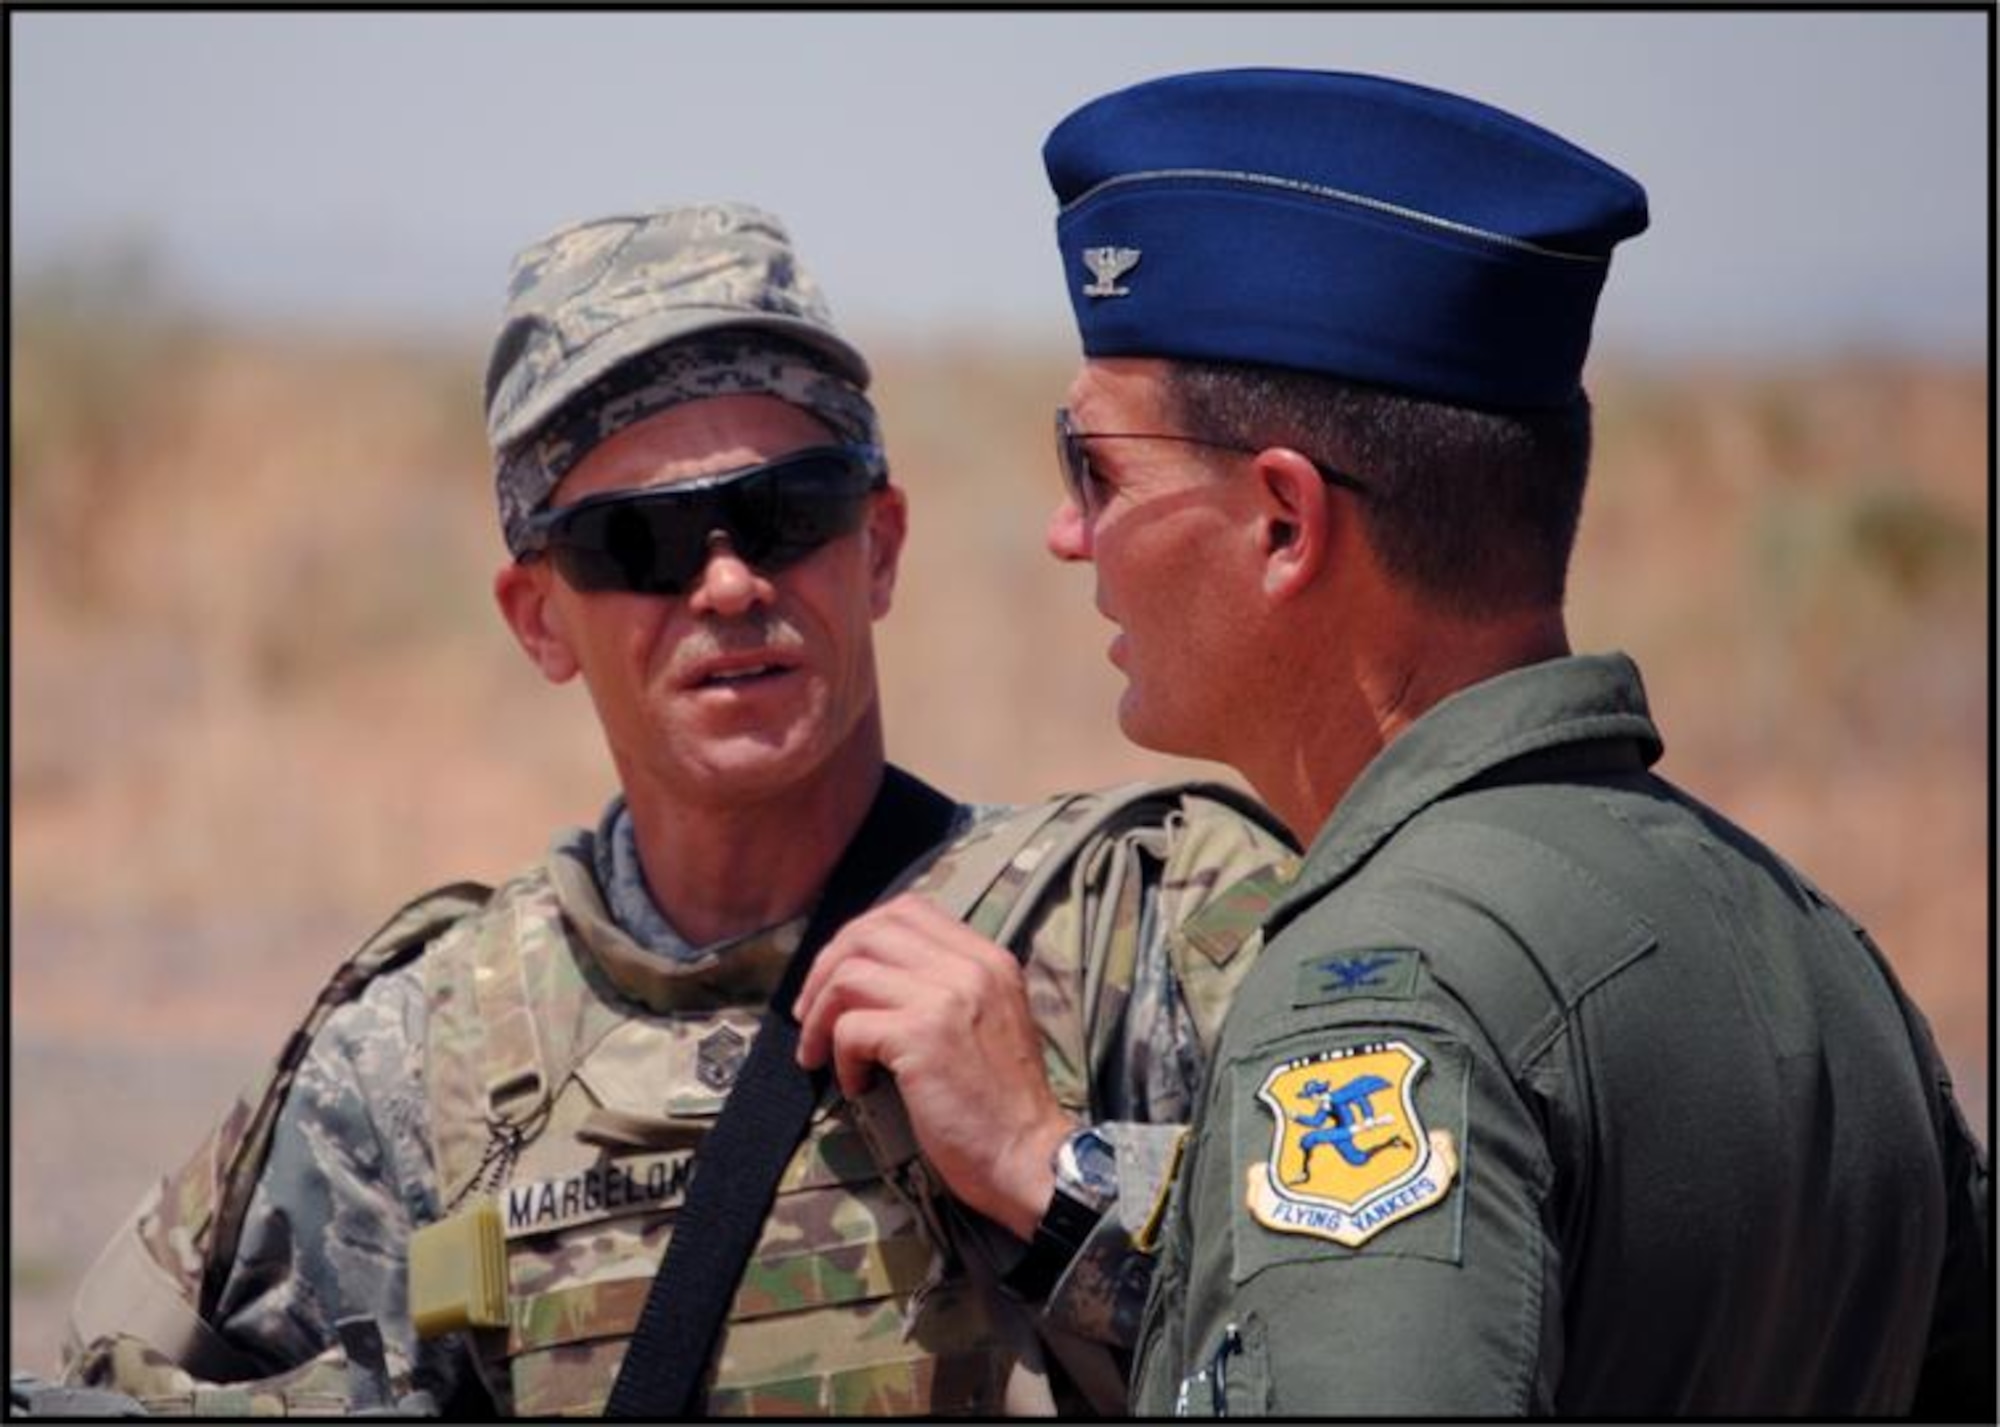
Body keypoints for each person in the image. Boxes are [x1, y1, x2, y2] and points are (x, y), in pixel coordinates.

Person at [53, 201, 1297, 1418]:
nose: (725, 580)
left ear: (878, 546)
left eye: (785, 512)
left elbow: (1404, 1339)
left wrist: (1051, 1171)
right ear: (538, 616)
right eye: (635, 542)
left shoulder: (1141, 923)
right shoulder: (415, 1060)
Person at [1031, 69, 1992, 1416]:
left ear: (1285, 523)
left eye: (1099, 469)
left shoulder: (1381, 1003)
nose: (1069, 532)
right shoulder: (1814, 944)